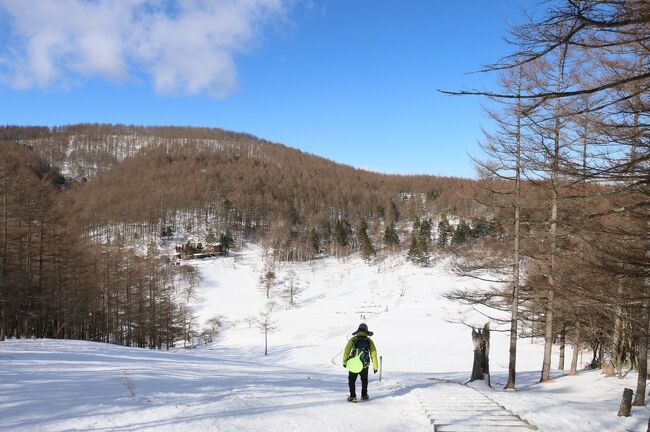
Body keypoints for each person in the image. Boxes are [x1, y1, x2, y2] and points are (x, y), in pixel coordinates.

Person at [342, 323, 378, 401]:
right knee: (364, 380)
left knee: (352, 380)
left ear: (358, 330)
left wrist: (344, 361)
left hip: (353, 363)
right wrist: (375, 367)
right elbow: (373, 354)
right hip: (364, 365)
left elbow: (346, 351)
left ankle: (352, 396)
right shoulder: (369, 341)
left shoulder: (353, 339)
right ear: (366, 331)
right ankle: (364, 395)